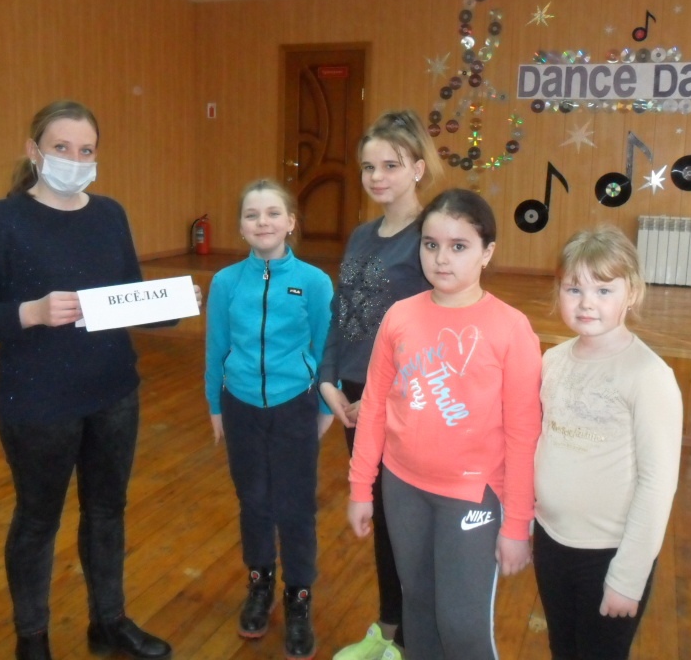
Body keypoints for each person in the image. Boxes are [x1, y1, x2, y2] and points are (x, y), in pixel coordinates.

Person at [0, 100, 192, 660]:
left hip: (113, 391)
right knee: (38, 520)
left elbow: (126, 295)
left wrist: (171, 303)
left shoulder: (109, 214)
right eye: (62, 148)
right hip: (37, 402)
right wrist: (30, 312)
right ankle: (32, 639)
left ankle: (109, 622)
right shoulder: (0, 221)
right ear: (34, 151)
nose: (75, 160)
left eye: (86, 151)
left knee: (107, 511)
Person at [348, 189, 542, 660]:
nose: (441, 258)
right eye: (431, 244)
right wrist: (360, 488)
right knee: (418, 608)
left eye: (459, 246)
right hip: (403, 488)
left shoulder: (511, 328)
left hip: (472, 496)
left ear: (487, 252)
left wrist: (517, 524)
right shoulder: (400, 316)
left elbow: (523, 436)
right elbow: (373, 407)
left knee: (462, 626)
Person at [320, 109, 443, 660]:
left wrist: (382, 397)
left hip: (401, 402)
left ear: (417, 167)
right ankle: (389, 630)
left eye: (390, 165)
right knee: (380, 517)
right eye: (369, 166)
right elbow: (342, 314)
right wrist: (328, 382)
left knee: (408, 526)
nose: (377, 177)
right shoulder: (362, 235)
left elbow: (436, 332)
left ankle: (414, 638)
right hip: (352, 396)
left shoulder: (430, 237)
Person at [532, 225, 682, 660]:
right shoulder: (552, 360)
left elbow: (657, 484)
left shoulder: (649, 376)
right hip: (551, 542)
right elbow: (542, 444)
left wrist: (628, 577)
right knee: (562, 647)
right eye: (573, 289)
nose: (586, 303)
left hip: (610, 554)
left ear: (631, 293)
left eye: (603, 290)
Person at [204, 179, 335, 660]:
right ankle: (260, 582)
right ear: (241, 226)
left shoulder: (314, 283)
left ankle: (298, 594)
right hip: (239, 405)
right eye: (252, 214)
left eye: (273, 213)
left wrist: (325, 408)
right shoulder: (225, 283)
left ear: (291, 223)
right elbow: (216, 348)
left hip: (294, 405)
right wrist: (215, 406)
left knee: (295, 506)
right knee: (254, 500)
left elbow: (326, 349)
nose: (263, 222)